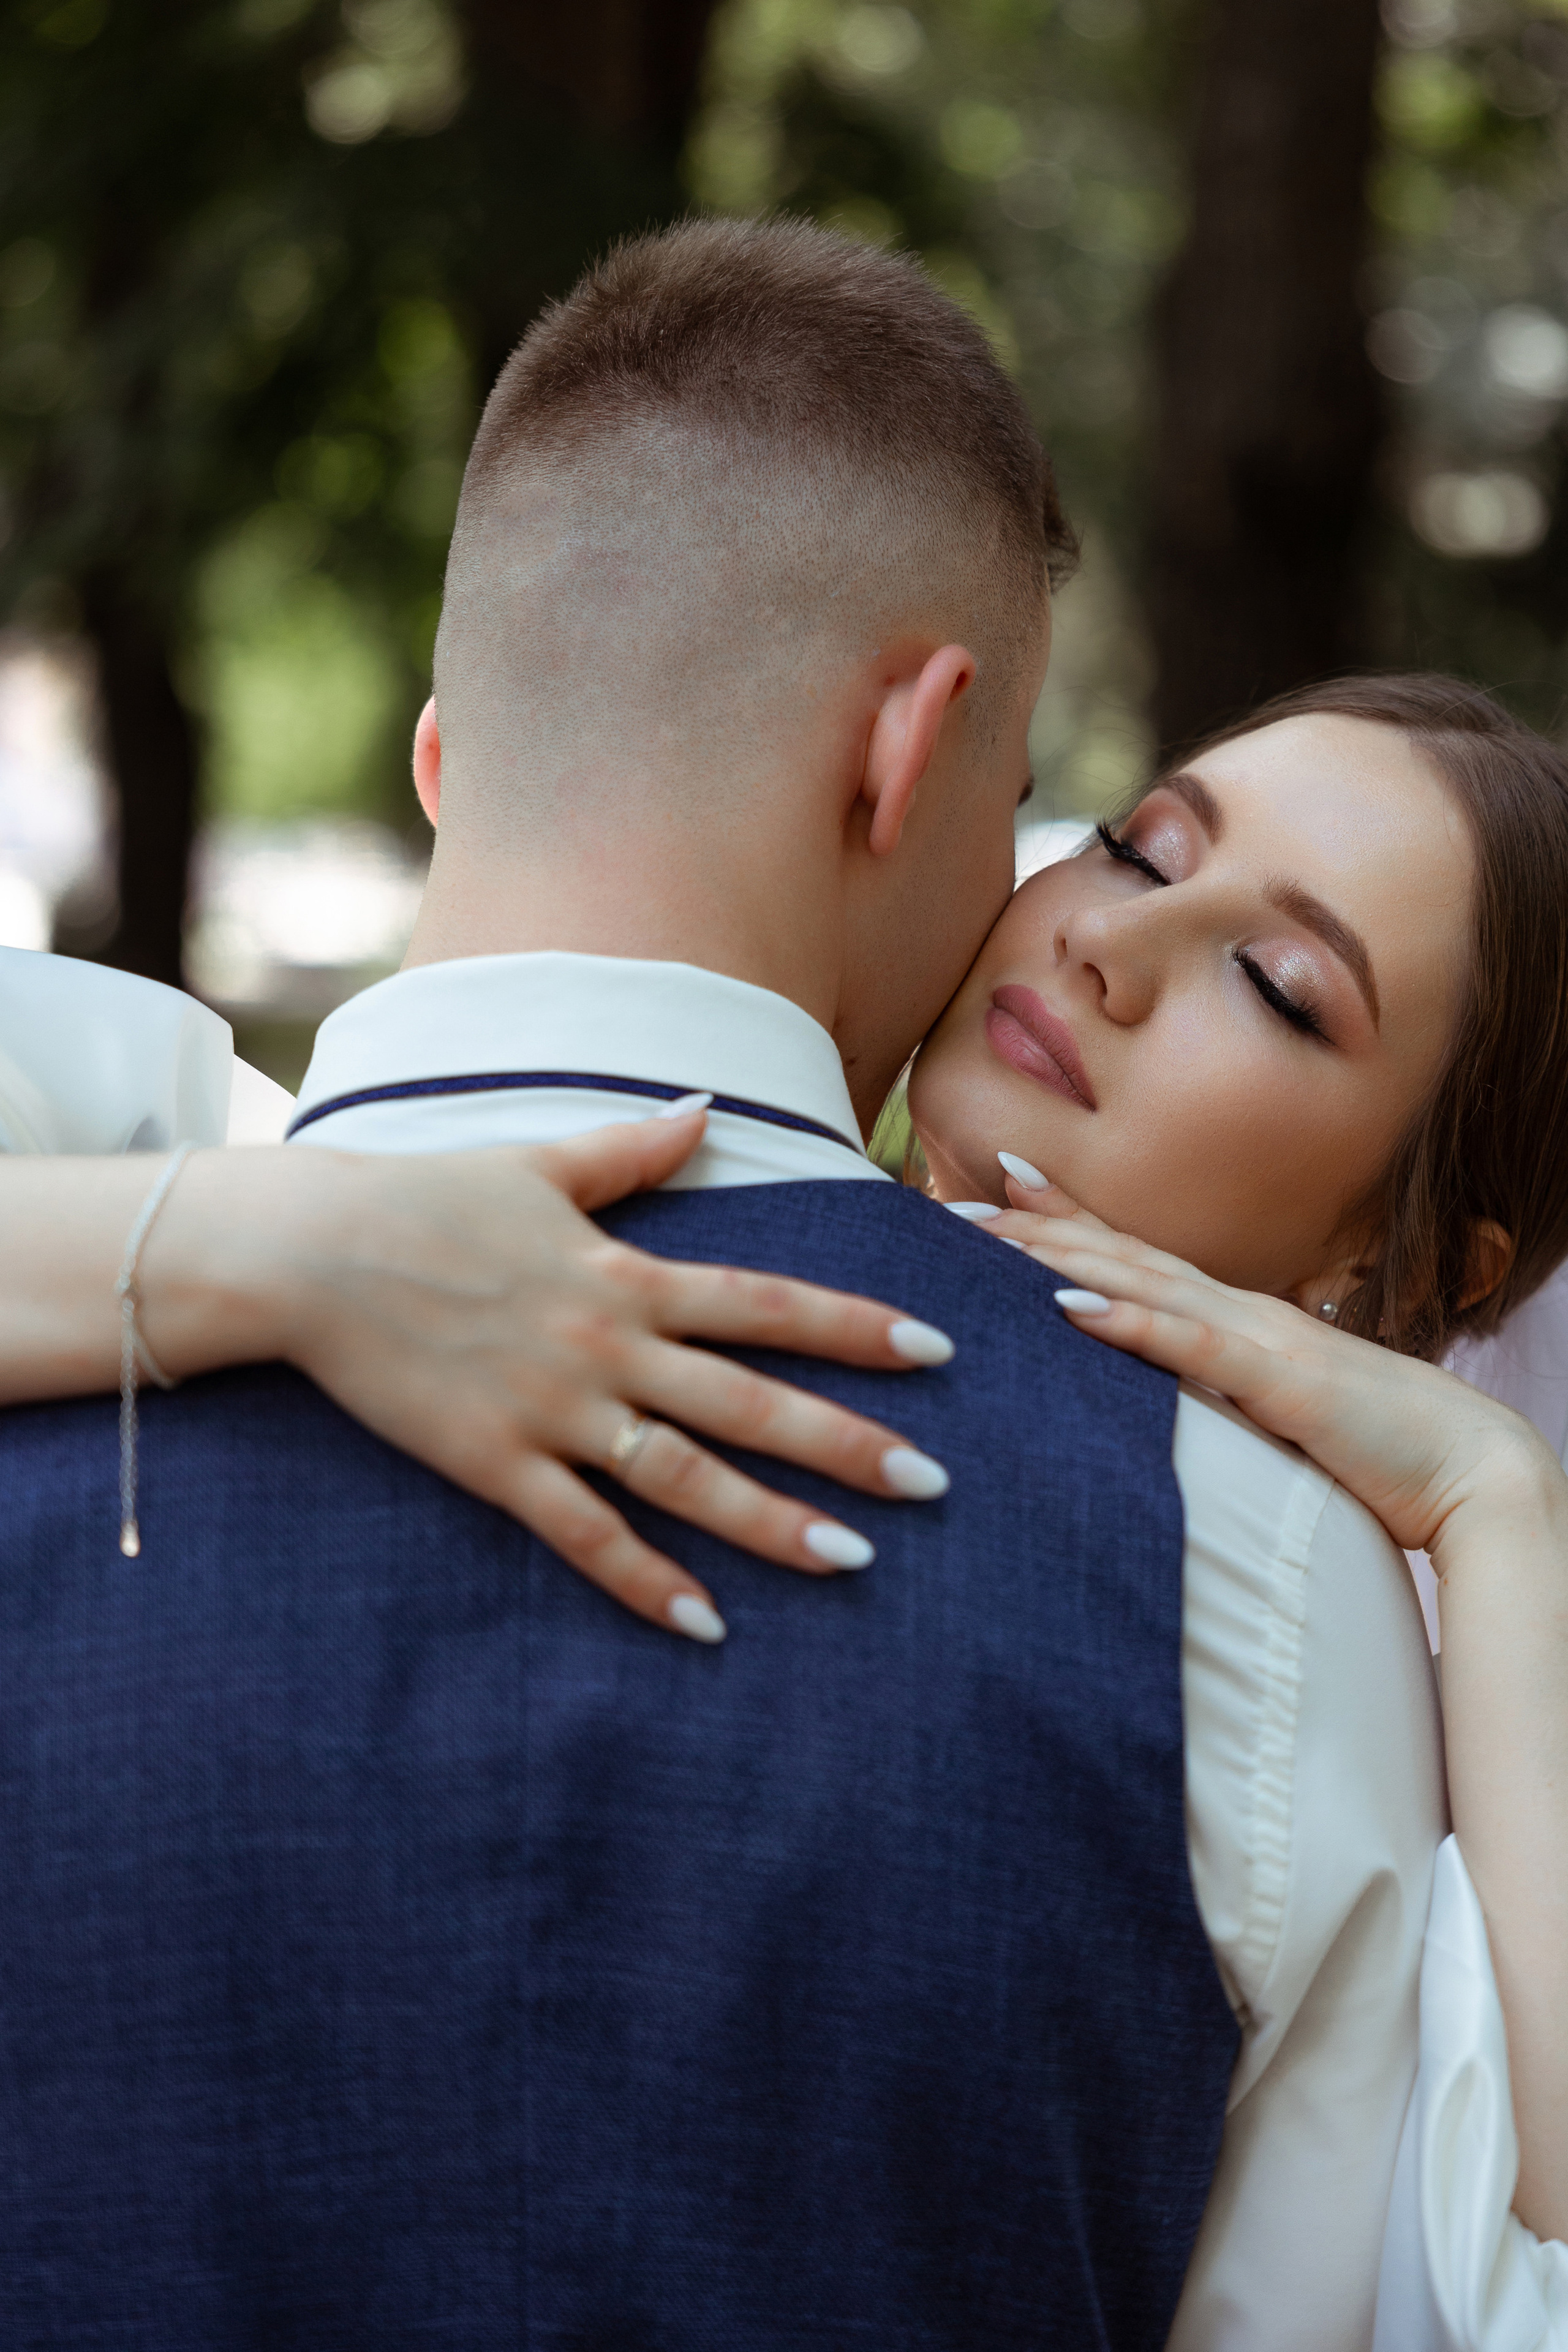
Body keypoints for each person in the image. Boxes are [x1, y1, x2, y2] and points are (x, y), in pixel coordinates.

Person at [0, 216, 1553, 2348]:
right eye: (1105, 835)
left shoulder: (77, 1166)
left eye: (1281, 986)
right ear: (913, 758)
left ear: (445, 753)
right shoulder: (1258, 1590)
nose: (1094, 937)